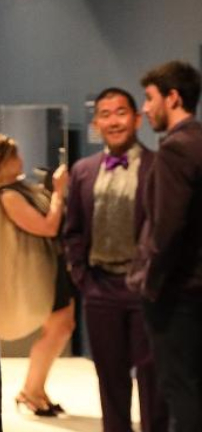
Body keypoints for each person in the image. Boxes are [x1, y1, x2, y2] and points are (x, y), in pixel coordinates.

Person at [64, 88, 167, 432]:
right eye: (105, 114)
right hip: (99, 288)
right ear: (96, 124)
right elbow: (73, 229)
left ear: (137, 119)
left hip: (145, 289)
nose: (114, 120)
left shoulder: (157, 166)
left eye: (121, 112)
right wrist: (82, 276)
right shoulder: (82, 170)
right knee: (110, 378)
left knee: (152, 380)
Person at [0, 134, 74, 417]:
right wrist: (59, 191)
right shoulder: (10, 195)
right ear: (2, 162)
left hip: (51, 265)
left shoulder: (20, 188)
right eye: (15, 156)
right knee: (59, 327)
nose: (21, 160)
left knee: (61, 326)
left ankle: (36, 389)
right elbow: (48, 227)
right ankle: (30, 391)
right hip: (41, 269)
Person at [130, 61, 202, 430]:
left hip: (178, 295)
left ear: (173, 97)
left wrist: (149, 285)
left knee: (181, 392)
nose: (145, 108)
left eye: (149, 98)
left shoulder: (176, 149)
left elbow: (166, 228)